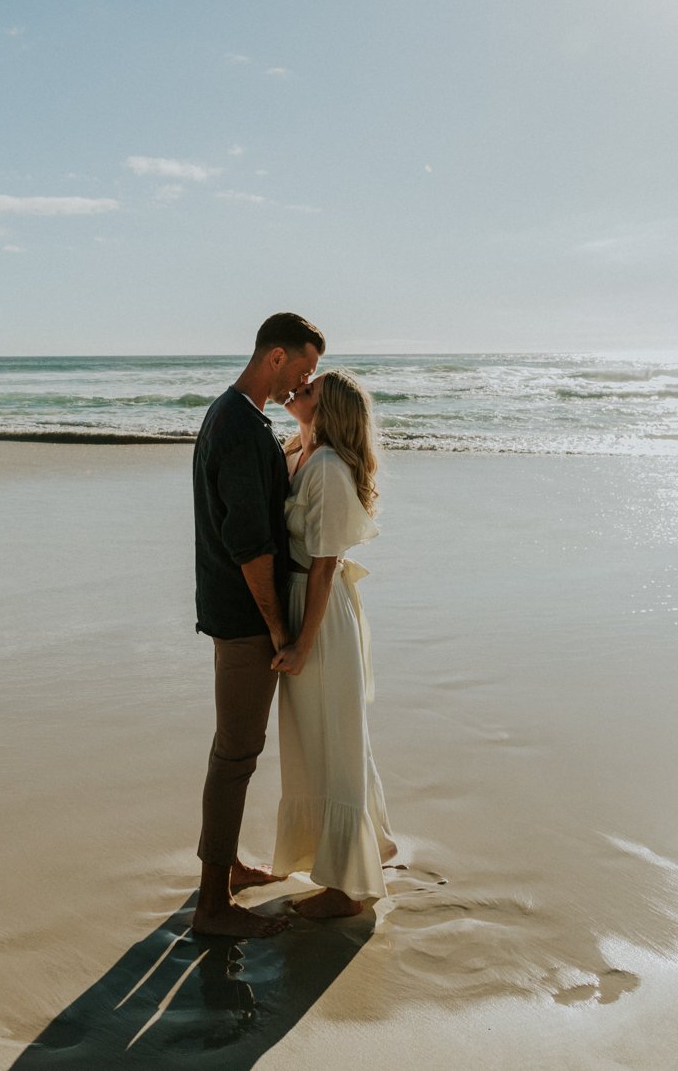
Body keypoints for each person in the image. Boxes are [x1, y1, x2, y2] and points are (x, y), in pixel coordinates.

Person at [191, 312, 326, 938]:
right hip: (244, 617)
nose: (301, 382)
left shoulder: (232, 416)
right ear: (275, 357)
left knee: (234, 751)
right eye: (301, 370)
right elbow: (249, 544)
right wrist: (278, 629)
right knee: (236, 753)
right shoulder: (242, 429)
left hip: (230, 609)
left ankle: (229, 871)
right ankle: (212, 906)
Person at [271, 369, 396, 918]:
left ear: (330, 409)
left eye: (310, 389)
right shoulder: (300, 450)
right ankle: (363, 852)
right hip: (309, 602)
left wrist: (301, 644)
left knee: (331, 738)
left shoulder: (323, 466)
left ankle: (348, 889)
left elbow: (323, 567)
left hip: (317, 609)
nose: (298, 390)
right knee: (327, 736)